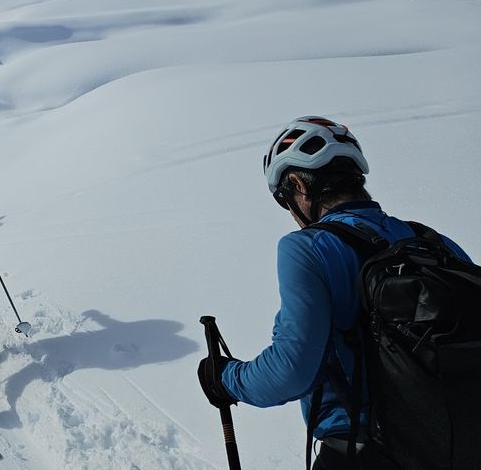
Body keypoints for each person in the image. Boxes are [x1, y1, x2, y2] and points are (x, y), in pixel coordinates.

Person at [197, 116, 473, 470]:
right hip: (461, 444)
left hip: (364, 450)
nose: (290, 213)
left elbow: (291, 370)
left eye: (284, 199)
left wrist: (225, 380)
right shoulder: (432, 242)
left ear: (298, 185)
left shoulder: (308, 247)